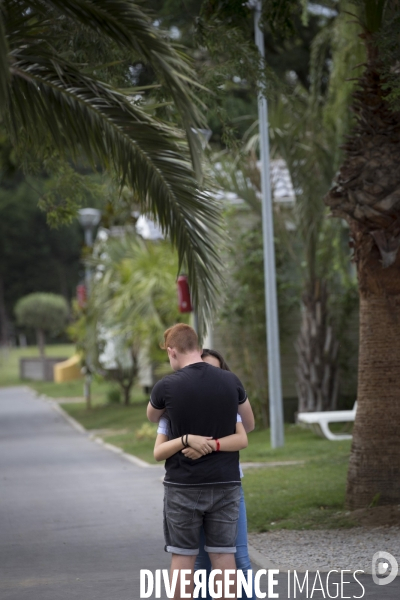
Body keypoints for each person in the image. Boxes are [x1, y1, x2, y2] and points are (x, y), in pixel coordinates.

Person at [147, 324, 250, 600]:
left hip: (184, 485)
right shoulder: (231, 381)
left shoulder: (166, 386)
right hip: (226, 482)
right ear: (199, 348)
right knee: (224, 557)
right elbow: (248, 424)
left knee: (183, 559)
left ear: (172, 351)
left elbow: (152, 416)